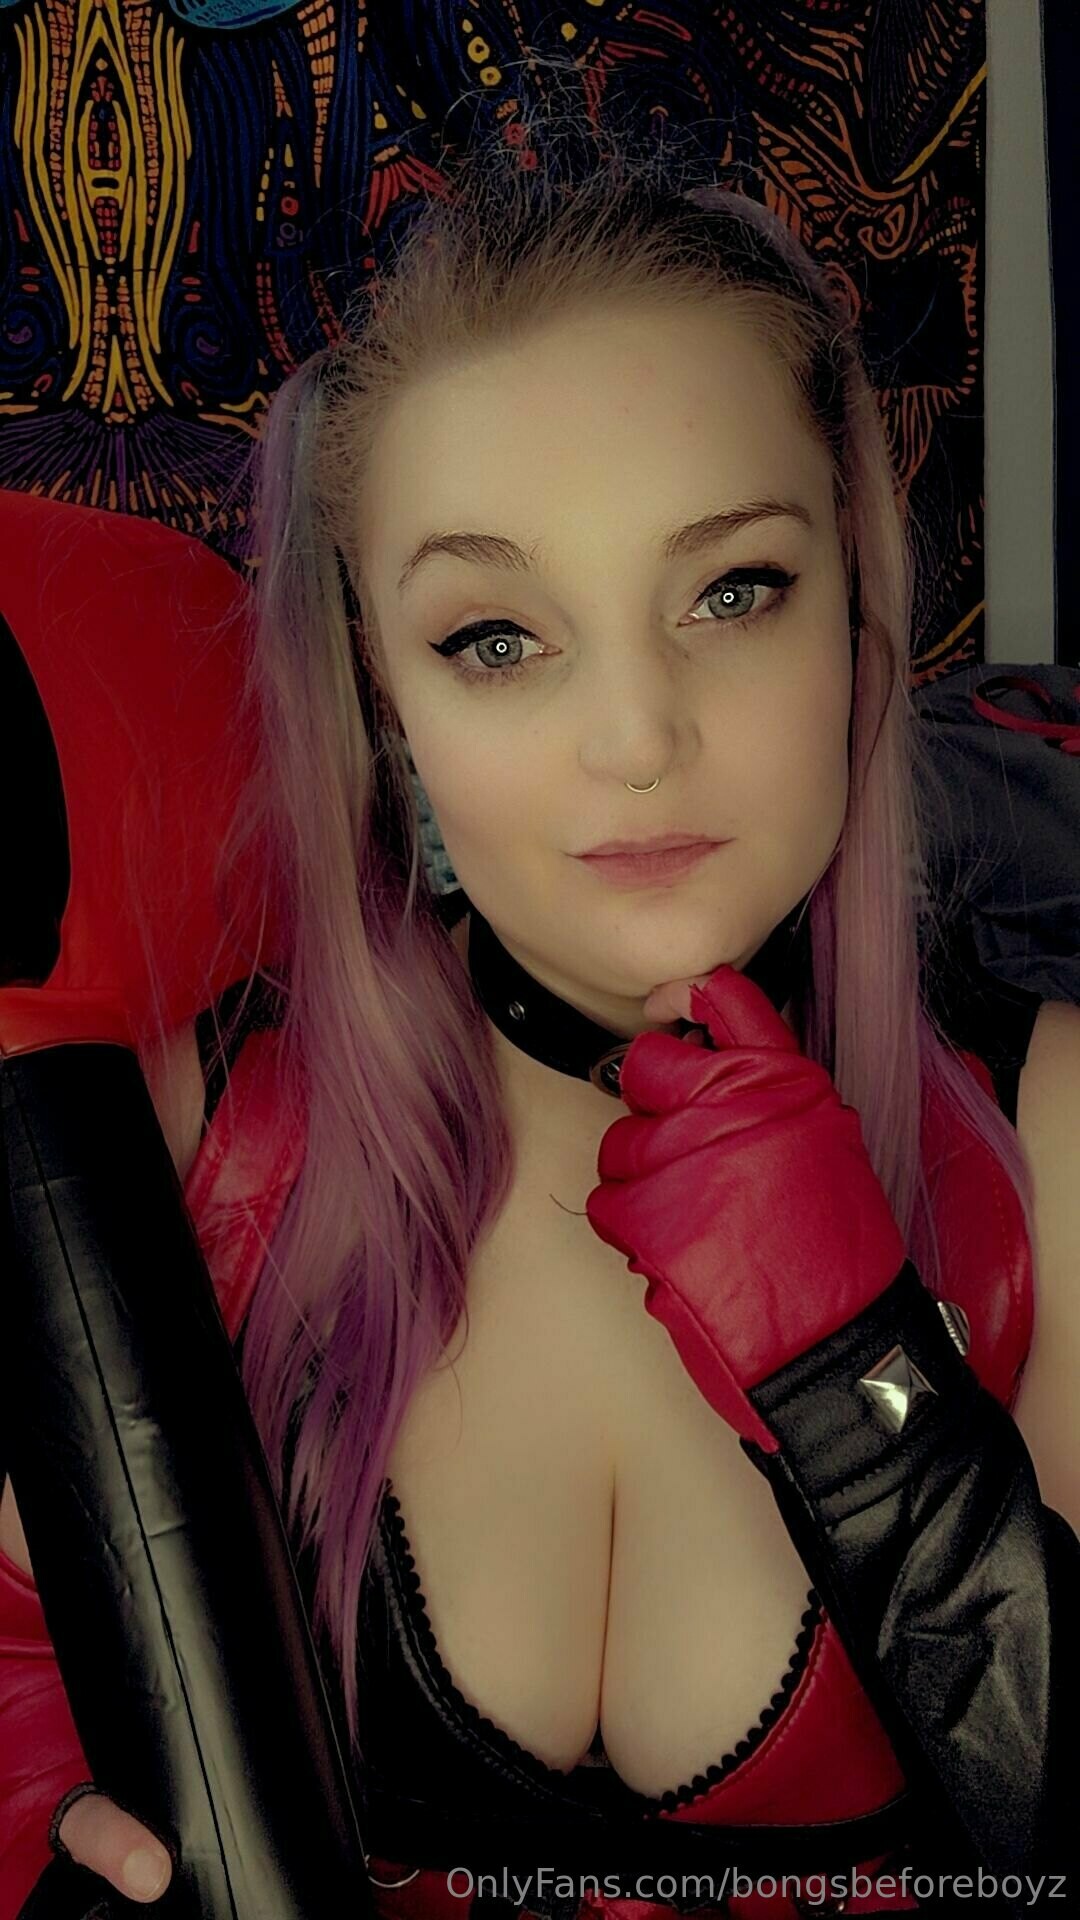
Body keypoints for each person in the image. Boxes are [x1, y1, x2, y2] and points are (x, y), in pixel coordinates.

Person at [4, 108, 1080, 1920]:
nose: (636, 737)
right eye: (494, 637)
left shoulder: (1053, 1129)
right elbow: (18, 1665)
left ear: (856, 606)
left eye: (733, 590)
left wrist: (862, 1374)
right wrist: (53, 1848)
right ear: (382, 690)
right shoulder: (201, 1129)